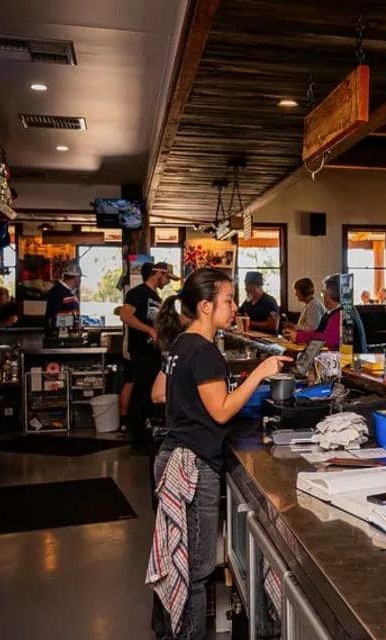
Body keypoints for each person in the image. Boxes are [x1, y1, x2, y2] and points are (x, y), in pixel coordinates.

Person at [147, 268, 290, 640]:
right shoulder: (204, 351)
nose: (235, 306)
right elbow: (222, 410)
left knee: (181, 566)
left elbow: (166, 395)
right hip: (193, 465)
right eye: (228, 300)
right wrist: (260, 372)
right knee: (195, 574)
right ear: (206, 306)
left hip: (175, 454)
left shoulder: (182, 344)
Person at [121, 262, 178, 449]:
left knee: (148, 394)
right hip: (141, 351)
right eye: (167, 277)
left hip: (153, 352)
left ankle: (148, 433)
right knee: (141, 392)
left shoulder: (155, 296)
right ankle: (137, 439)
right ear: (158, 274)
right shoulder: (137, 293)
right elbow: (125, 315)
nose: (168, 281)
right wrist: (149, 330)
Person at [286, 274, 367, 353]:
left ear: (328, 295)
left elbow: (328, 339)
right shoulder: (344, 309)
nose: (323, 296)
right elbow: (321, 334)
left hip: (349, 363)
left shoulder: (341, 314)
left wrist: (298, 336)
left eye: (323, 293)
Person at [45, 261, 82, 329]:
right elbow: (52, 320)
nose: (80, 281)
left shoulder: (69, 292)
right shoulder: (57, 292)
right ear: (76, 278)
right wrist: (74, 322)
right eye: (80, 278)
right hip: (58, 337)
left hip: (66, 335)